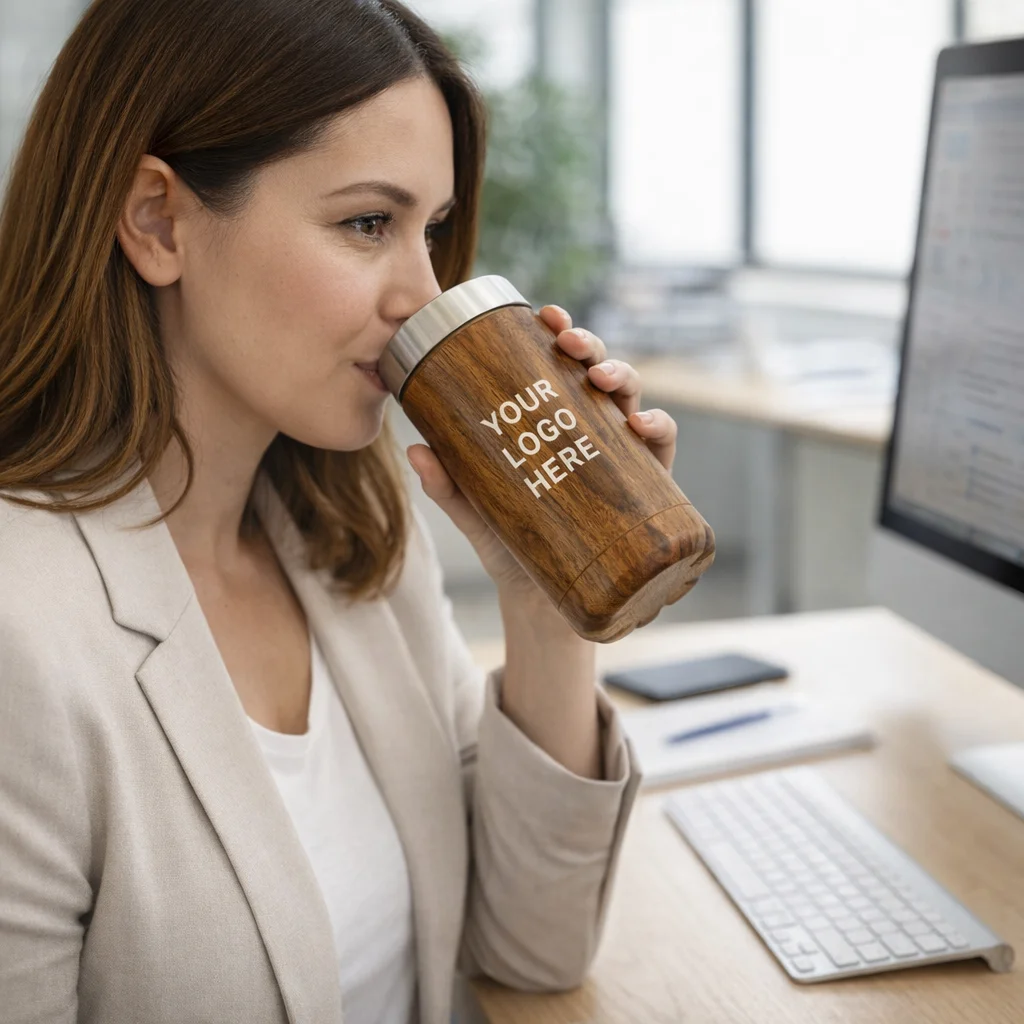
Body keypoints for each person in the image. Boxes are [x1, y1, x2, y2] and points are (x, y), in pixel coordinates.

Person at [0, 1, 680, 1022]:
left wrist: (549, 590)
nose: (424, 289)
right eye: (368, 222)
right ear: (156, 220)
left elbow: (526, 948)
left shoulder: (353, 542)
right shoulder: (23, 635)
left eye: (434, 230)